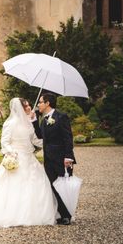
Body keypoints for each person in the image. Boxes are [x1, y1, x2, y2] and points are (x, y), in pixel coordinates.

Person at [0, 98, 57, 227]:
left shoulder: (29, 123)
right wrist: (11, 152)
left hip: (29, 158)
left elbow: (35, 140)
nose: (29, 107)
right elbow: (5, 142)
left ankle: (33, 213)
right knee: (13, 185)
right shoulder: (10, 123)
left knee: (37, 183)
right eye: (27, 105)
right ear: (21, 108)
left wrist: (51, 143)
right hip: (16, 158)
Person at [33, 92, 75, 225]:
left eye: (40, 102)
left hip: (61, 158)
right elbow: (40, 136)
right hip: (48, 159)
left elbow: (68, 138)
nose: (38, 104)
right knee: (53, 186)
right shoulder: (44, 119)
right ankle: (64, 214)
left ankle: (67, 215)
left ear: (47, 103)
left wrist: (68, 156)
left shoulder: (61, 117)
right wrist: (34, 120)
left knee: (63, 187)